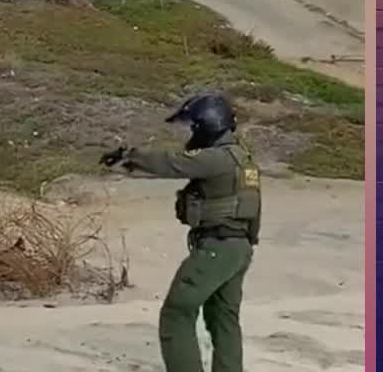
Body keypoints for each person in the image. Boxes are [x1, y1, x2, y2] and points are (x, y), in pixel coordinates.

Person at [100, 92, 262, 372]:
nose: (190, 132)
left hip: (217, 247)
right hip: (237, 248)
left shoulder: (217, 158)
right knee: (223, 318)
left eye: (193, 126)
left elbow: (173, 162)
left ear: (207, 124)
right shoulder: (242, 158)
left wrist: (130, 156)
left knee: (177, 313)